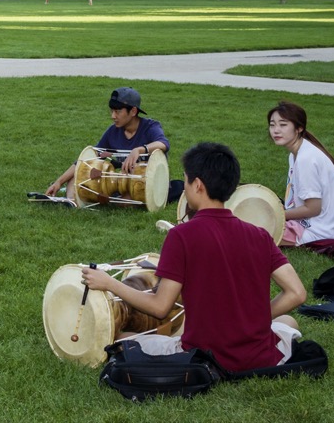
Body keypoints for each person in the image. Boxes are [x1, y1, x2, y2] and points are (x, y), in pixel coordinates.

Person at [82, 142, 306, 373]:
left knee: (120, 338)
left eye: (186, 180)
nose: (185, 188)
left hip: (205, 357)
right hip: (260, 355)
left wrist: (109, 283)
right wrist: (253, 322)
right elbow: (297, 293)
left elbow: (160, 307)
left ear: (197, 185)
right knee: (288, 322)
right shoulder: (259, 235)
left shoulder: (182, 236)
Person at [45, 87, 170, 202]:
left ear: (133, 111)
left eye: (118, 111)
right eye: (112, 111)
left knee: (125, 200)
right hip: (124, 183)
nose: (113, 116)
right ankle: (70, 201)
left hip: (152, 185)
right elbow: (87, 159)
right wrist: (59, 182)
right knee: (80, 174)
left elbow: (163, 143)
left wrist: (139, 150)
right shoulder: (113, 131)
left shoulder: (150, 127)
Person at [268, 101, 334, 246]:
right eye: (272, 124)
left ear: (299, 128)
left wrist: (276, 215)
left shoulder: (306, 159)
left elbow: (313, 208)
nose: (276, 130)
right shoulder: (297, 154)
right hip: (317, 225)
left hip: (321, 231)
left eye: (283, 124)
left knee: (252, 232)